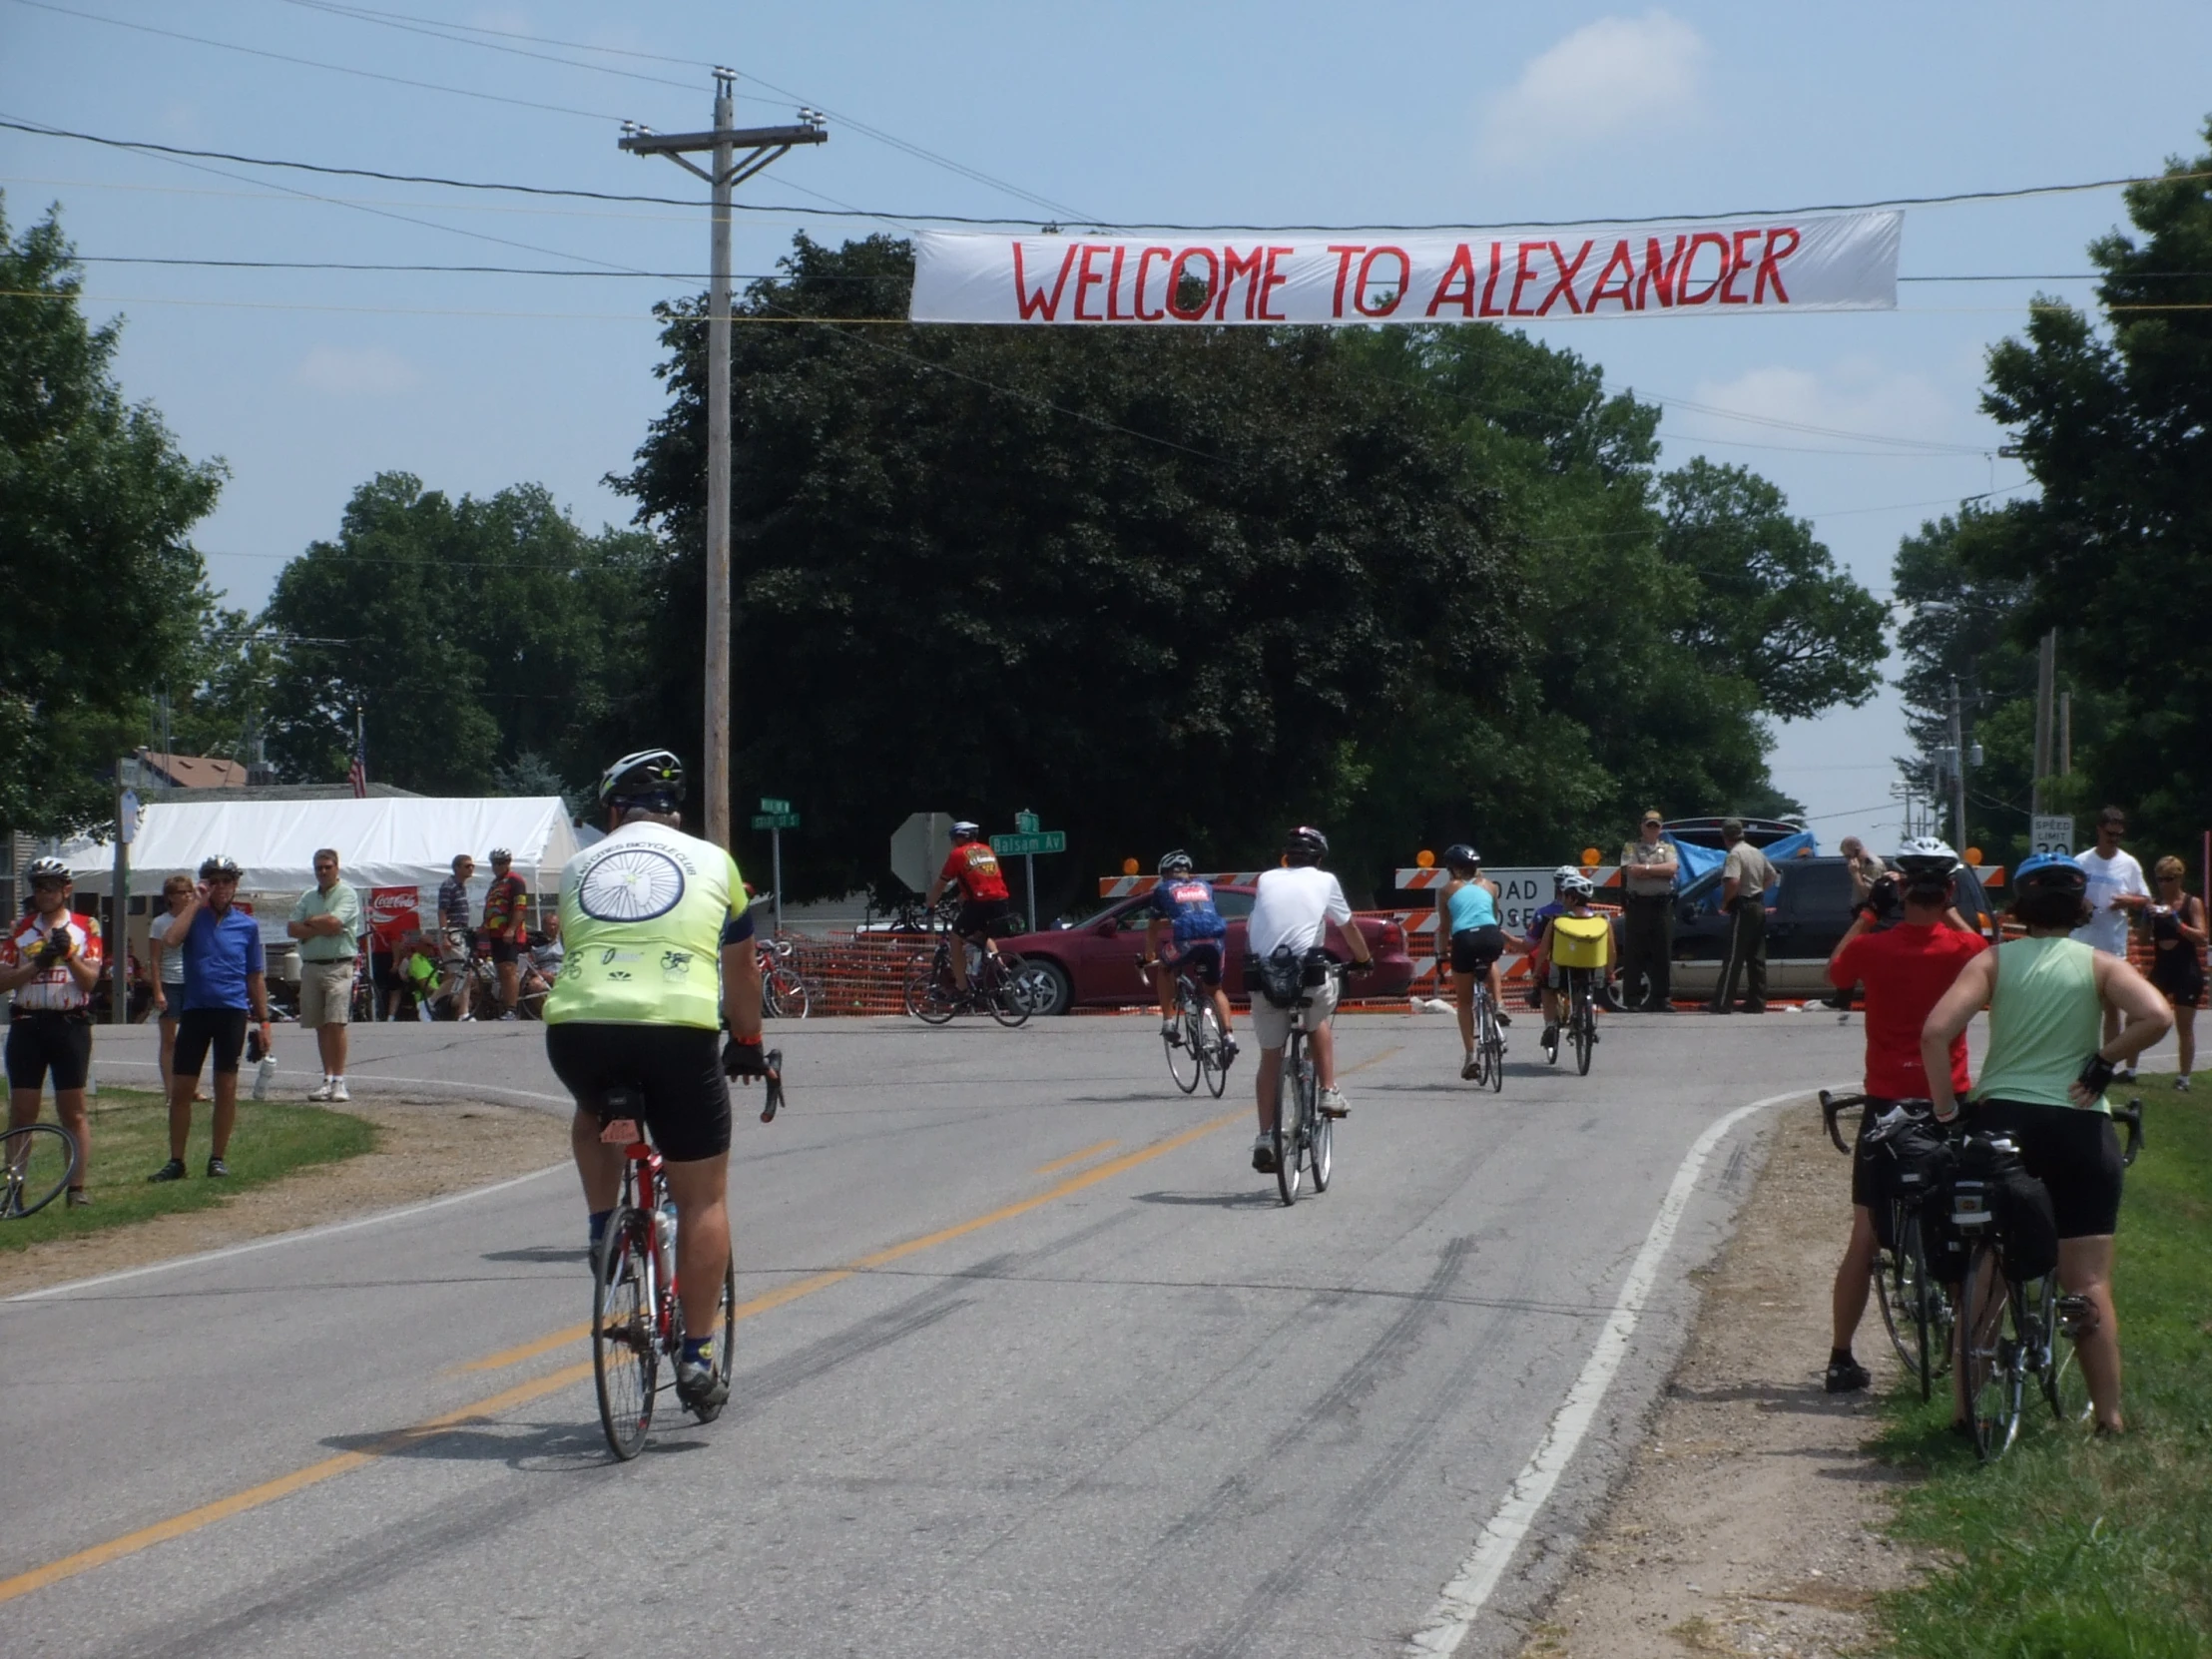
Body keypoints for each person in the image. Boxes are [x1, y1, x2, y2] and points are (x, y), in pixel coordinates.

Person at [1921, 852, 2172, 1435]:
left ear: (2019, 910)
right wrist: (2103, 1062)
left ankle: (1965, 1412)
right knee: (2086, 1281)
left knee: (1988, 1273)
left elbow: (1936, 1031)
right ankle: (2108, 1417)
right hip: (2080, 1125)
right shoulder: (2099, 964)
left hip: (2003, 1120)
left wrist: (1945, 1108)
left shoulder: (1993, 962)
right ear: (2082, 907)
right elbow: (2156, 1015)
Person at [545, 748, 765, 1411]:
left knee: (595, 1113)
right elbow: (742, 974)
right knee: (702, 1198)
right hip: (676, 1029)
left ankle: (603, 1225)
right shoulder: (717, 864)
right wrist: (749, 1042)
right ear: (678, 814)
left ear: (614, 811)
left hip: (579, 1029)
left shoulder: (578, 865)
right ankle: (696, 1353)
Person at [1818, 837, 1986, 1392]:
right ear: (1950, 891)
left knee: (1864, 1234)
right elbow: (1985, 948)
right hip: (1947, 1099)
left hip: (1887, 1102)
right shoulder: (1962, 950)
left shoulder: (1877, 946)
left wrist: (1871, 909)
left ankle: (1841, 1356)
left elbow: (1834, 974)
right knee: (1967, 1222)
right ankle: (1968, 1350)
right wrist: (1952, 906)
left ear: (1903, 889)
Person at [1246, 827, 1373, 1173]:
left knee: (1269, 1056)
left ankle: (1265, 1135)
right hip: (1306, 976)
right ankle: (1328, 1090)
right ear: (1319, 858)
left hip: (1263, 976)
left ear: (1287, 857)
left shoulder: (1265, 879)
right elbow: (1348, 928)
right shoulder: (1326, 881)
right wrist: (1364, 960)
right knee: (1317, 1018)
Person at [152, 855, 271, 1182]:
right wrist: (195, 903)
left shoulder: (246, 925)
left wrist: (264, 1022)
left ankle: (217, 1157)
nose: (220, 888)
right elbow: (170, 940)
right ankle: (176, 1160)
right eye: (213, 881)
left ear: (235, 885)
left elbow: (255, 977)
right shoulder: (194, 918)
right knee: (182, 1089)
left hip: (231, 1011)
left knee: (226, 1087)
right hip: (195, 1011)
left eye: (226, 882)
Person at [0, 857, 104, 1207]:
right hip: (28, 1024)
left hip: (69, 1023)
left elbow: (90, 981)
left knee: (73, 1110)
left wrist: (69, 955)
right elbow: (3, 981)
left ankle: (76, 1190)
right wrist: (39, 962)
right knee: (22, 1111)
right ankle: (15, 1189)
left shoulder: (85, 927)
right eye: (38, 887)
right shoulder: (19, 929)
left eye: (51, 887)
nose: (44, 894)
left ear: (66, 890)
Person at [2072, 807, 2151, 1066]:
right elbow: (2069, 892)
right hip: (2082, 944)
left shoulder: (2128, 864)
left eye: (2118, 835)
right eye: (2109, 833)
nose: (2114, 839)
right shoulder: (2083, 861)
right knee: (2081, 1007)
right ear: (2098, 830)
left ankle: (2106, 1061)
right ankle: (2076, 1056)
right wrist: (2080, 903)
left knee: (2111, 1008)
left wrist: (2128, 900)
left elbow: (2146, 899)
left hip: (2113, 947)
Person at [1144, 851, 1237, 1063]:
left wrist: (1149, 953)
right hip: (1215, 941)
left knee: (1164, 967)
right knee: (1215, 989)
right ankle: (1229, 1036)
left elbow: (1153, 926)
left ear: (1165, 874)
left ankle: (1168, 1021)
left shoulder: (1163, 889)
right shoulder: (1205, 886)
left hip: (1185, 942)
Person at [286, 848, 361, 1102]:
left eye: (328, 867)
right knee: (320, 1024)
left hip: (338, 965)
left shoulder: (347, 894)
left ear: (337, 867)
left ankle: (340, 1081)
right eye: (319, 867)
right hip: (311, 965)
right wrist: (320, 925)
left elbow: (335, 923)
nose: (323, 871)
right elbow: (292, 928)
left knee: (335, 1022)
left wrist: (312, 924)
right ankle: (327, 1079)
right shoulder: (308, 896)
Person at [1437, 843, 1507, 1080]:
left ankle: (1471, 1056)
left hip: (1464, 940)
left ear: (1453, 869)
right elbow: (1495, 914)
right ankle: (1499, 1004)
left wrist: (1440, 955)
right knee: (1491, 960)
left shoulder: (1446, 890)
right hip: (1490, 935)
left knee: (1464, 1001)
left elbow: (1444, 928)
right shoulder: (1490, 886)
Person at [924, 822, 1014, 999]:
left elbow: (941, 884)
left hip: (980, 904)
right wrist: (957, 900)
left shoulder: (958, 854)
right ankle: (1002, 968)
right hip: (1001, 902)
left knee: (955, 938)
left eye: (953, 838)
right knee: (982, 935)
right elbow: (978, 881)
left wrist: (930, 906)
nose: (952, 842)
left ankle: (962, 988)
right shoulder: (987, 850)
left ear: (960, 838)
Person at [1534, 872, 1611, 1059]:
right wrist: (1610, 972)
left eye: (1564, 895)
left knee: (1547, 987)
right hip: (1592, 969)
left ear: (1571, 898)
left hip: (1563, 970)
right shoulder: (1602, 921)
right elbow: (1611, 951)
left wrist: (1536, 972)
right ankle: (1584, 1018)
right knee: (1585, 986)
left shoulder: (1557, 921)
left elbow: (1543, 950)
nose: (1562, 898)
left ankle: (1551, 1025)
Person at [2145, 855, 2204, 1089]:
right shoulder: (2156, 901)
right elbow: (2142, 938)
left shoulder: (2191, 903)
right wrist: (2146, 918)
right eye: (2159, 879)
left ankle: (2184, 1077)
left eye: (2168, 879)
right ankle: (2129, 1070)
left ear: (2179, 878)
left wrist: (2176, 921)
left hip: (2186, 967)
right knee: (2138, 1016)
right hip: (2162, 966)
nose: (2163, 884)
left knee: (2184, 1025)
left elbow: (2202, 936)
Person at [1708, 819, 1777, 1014]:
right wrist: (1758, 891)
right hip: (1758, 905)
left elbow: (1733, 881)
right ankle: (1757, 1002)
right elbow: (1771, 876)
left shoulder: (1735, 854)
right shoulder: (1756, 852)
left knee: (1734, 957)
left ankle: (1722, 1002)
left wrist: (1726, 902)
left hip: (1743, 907)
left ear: (1725, 836)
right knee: (1756, 958)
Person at [148, 872, 201, 1102]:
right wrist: (158, 990)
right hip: (170, 982)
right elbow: (155, 960)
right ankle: (171, 1092)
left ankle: (191, 1088)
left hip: (194, 982)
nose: (187, 896)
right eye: (181, 892)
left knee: (194, 1039)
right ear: (170, 897)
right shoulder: (160, 923)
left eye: (189, 891)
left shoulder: (198, 918)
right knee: (169, 1040)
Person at [1618, 810, 1678, 1011]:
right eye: (1649, 825)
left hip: (1661, 905)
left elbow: (1672, 870)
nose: (1652, 829)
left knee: (1662, 953)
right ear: (1642, 826)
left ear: (1661, 828)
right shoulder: (1631, 847)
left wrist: (1646, 869)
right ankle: (1632, 999)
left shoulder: (1668, 847)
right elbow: (1630, 870)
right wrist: (1657, 871)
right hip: (1638, 904)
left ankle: (1662, 999)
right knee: (1635, 952)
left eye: (1656, 825)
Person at [481, 847, 529, 1021]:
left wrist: (511, 929)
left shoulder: (516, 881)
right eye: (494, 863)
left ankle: (512, 1009)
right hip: (495, 933)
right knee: (501, 971)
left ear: (508, 863)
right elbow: (489, 907)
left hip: (509, 933)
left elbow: (520, 907)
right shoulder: (495, 883)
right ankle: (506, 1008)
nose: (497, 867)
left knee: (509, 969)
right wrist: (483, 926)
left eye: (501, 863)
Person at [436, 853, 477, 1021]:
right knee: (465, 973)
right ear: (457, 868)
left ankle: (463, 1012)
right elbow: (442, 911)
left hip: (461, 932)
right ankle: (461, 1011)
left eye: (472, 865)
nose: (471, 868)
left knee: (460, 974)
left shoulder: (461, 886)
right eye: (467, 866)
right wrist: (446, 935)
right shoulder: (449, 885)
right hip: (453, 932)